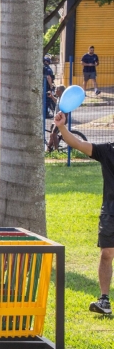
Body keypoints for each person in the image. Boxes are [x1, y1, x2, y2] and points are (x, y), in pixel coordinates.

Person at [53, 112, 111, 314]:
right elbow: (77, 144)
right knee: (106, 254)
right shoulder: (107, 151)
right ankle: (104, 300)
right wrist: (61, 128)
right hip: (110, 212)